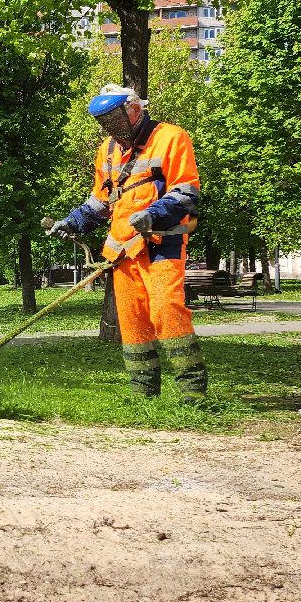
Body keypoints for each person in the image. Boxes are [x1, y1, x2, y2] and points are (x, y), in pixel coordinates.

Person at [49, 84, 208, 404]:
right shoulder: (107, 150)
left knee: (167, 311)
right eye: (105, 122)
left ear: (135, 109)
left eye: (115, 119)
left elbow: (186, 192)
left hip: (161, 243)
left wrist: (152, 215)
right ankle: (143, 395)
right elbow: (100, 201)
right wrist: (72, 222)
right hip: (122, 250)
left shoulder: (171, 137)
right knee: (133, 322)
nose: (111, 127)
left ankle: (193, 393)